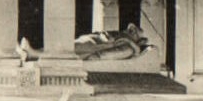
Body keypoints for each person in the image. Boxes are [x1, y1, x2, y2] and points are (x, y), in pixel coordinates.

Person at [18, 24, 154, 62]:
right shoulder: (123, 38)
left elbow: (108, 55)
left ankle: (34, 54)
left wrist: (94, 56)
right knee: (65, 46)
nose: (128, 30)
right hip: (91, 41)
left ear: (135, 37)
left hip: (91, 48)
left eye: (132, 31)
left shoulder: (128, 47)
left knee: (67, 50)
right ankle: (33, 53)